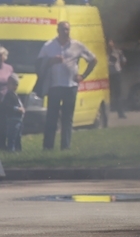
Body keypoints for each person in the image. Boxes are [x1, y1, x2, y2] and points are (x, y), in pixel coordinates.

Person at [37, 21, 97, 150]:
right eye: (63, 29)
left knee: (67, 118)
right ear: (57, 31)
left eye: (67, 30)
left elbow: (93, 59)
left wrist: (83, 76)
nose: (66, 32)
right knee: (52, 118)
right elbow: (38, 64)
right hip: (54, 86)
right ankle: (48, 147)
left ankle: (66, 146)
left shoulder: (76, 45)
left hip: (70, 86)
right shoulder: (49, 46)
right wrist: (50, 61)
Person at [0, 73, 25, 152]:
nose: (15, 86)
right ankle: (11, 150)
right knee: (12, 136)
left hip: (19, 119)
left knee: (18, 136)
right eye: (13, 84)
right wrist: (17, 108)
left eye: (16, 84)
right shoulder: (8, 95)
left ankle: (18, 149)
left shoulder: (15, 95)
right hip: (12, 119)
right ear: (8, 85)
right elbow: (6, 106)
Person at [107, 39, 127, 119]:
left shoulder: (118, 52)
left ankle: (120, 112)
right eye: (108, 42)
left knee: (117, 94)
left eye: (110, 42)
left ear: (113, 43)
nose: (109, 44)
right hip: (107, 75)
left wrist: (119, 68)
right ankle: (108, 112)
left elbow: (124, 61)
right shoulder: (102, 52)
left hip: (116, 74)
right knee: (108, 94)